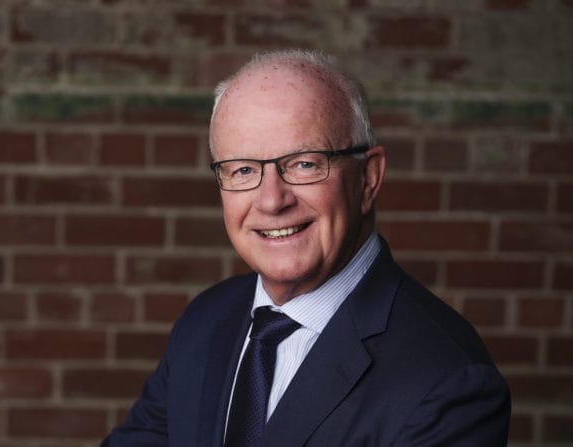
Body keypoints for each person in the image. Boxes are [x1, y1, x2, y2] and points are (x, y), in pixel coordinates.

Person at [101, 50, 511, 446]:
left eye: (304, 163)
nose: (271, 200)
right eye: (242, 169)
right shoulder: (206, 321)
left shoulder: (448, 381)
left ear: (368, 178)